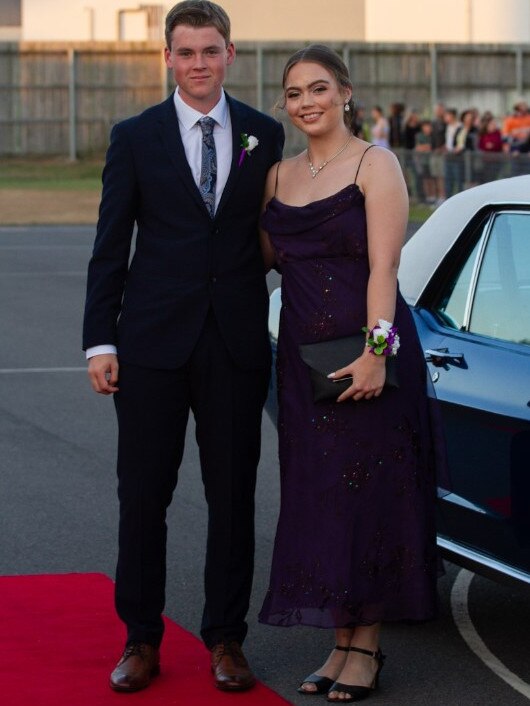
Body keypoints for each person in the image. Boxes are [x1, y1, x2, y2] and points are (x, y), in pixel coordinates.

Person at [82, 0, 284, 694]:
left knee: (233, 500)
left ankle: (226, 638)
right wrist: (98, 341)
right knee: (143, 497)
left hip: (233, 345)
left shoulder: (265, 134)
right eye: (186, 51)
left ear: (231, 52)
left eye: (210, 50)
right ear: (167, 57)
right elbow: (111, 248)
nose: (199, 63)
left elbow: (277, 234)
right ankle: (140, 638)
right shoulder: (135, 136)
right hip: (149, 346)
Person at [258, 44, 445, 703]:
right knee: (321, 501)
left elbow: (386, 271)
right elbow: (261, 261)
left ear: (345, 93)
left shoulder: (376, 163)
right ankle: (339, 641)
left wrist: (376, 351)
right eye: (294, 93)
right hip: (302, 367)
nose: (306, 101)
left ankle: (366, 648)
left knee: (369, 498)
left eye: (318, 88)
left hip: (369, 359)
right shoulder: (277, 177)